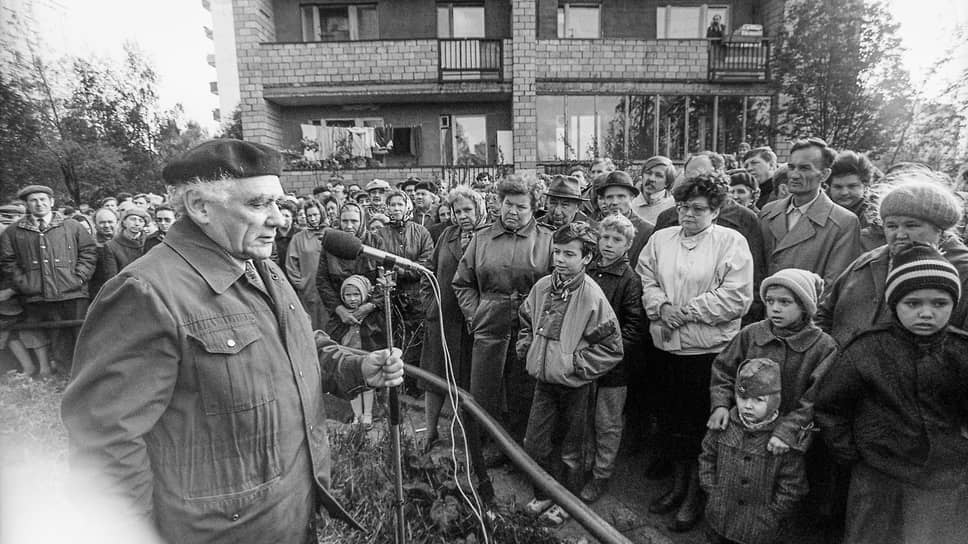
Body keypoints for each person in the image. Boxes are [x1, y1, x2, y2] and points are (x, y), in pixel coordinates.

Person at [61, 139, 404, 544]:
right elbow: (106, 445)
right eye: (259, 204)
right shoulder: (146, 292)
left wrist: (355, 366)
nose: (279, 219)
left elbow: (296, 345)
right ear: (200, 207)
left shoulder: (261, 267)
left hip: (290, 515)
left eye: (280, 204)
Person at [813, 244, 968, 544]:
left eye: (939, 303)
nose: (926, 313)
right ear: (895, 303)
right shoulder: (867, 349)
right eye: (913, 303)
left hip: (943, 476)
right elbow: (831, 406)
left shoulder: (961, 351)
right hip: (877, 474)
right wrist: (853, 454)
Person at [637, 173, 754, 532]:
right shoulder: (660, 239)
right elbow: (646, 279)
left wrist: (684, 312)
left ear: (716, 210)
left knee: (697, 428)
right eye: (683, 207)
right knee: (671, 423)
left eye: (698, 209)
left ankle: (696, 497)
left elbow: (736, 296)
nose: (687, 215)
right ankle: (677, 485)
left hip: (707, 354)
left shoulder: (730, 242)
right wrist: (661, 308)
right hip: (666, 348)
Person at [518, 222, 623, 525]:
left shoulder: (592, 296)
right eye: (557, 252)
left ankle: (568, 502)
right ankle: (543, 493)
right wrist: (528, 350)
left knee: (571, 449)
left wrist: (576, 366)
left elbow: (611, 347)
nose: (560, 260)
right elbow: (525, 321)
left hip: (575, 386)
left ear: (587, 258)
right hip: (543, 382)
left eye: (569, 254)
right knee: (535, 443)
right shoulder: (541, 288)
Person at [453, 175, 554, 459]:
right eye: (508, 204)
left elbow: (554, 288)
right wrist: (476, 315)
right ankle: (484, 449)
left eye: (521, 207)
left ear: (533, 208)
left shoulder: (547, 240)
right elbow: (462, 283)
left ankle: (520, 453)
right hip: (489, 324)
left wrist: (540, 324)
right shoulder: (481, 239)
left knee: (525, 390)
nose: (512, 211)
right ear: (499, 203)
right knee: (485, 390)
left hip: (530, 327)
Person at [816, 179, 968, 347]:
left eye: (911, 225)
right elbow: (824, 314)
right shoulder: (866, 262)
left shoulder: (962, 270)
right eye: (891, 226)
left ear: (939, 230)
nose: (900, 234)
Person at [708, 268, 837, 455]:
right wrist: (720, 404)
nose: (775, 308)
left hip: (789, 443)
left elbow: (815, 399)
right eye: (770, 301)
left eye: (785, 302)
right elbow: (723, 371)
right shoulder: (750, 335)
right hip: (744, 429)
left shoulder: (823, 347)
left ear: (804, 306)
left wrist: (788, 430)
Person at [700, 358, 809, 544]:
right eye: (743, 398)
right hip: (720, 517)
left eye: (759, 400)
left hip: (759, 529)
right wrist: (712, 490)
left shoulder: (782, 439)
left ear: (775, 400)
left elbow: (792, 484)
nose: (748, 406)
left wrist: (773, 513)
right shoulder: (723, 425)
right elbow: (707, 458)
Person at [580, 214, 645, 504]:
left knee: (607, 423)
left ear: (628, 245)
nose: (608, 244)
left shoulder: (630, 280)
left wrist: (608, 354)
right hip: (581, 360)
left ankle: (601, 474)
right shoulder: (588, 271)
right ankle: (583, 465)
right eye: (604, 237)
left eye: (617, 239)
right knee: (583, 417)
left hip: (613, 367)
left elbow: (633, 327)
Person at [0, 184, 97, 372]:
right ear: (27, 204)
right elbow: (8, 262)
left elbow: (89, 252)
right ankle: (65, 375)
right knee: (56, 336)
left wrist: (78, 278)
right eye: (33, 200)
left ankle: (89, 375)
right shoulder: (13, 232)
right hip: (38, 296)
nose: (39, 204)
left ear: (51, 202)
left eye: (43, 199)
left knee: (83, 334)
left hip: (73, 293)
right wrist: (25, 284)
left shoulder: (72, 226)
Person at [420, 187, 488, 454]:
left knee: (471, 382)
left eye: (467, 210)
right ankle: (430, 431)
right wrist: (429, 305)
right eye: (457, 211)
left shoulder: (489, 237)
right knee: (434, 377)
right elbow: (429, 269)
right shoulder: (447, 235)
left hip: (474, 322)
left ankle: (469, 439)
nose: (462, 216)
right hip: (442, 318)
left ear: (479, 209)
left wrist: (481, 314)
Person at [759, 138, 862, 288]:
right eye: (791, 167)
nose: (794, 175)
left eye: (804, 168)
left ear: (824, 175)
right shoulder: (768, 213)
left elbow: (835, 287)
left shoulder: (843, 222)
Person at [376, 189, 434, 389]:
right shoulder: (381, 234)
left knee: (417, 338)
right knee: (394, 337)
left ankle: (414, 384)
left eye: (400, 204)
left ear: (407, 207)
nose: (397, 208)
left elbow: (426, 261)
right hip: (390, 293)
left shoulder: (421, 232)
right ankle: (395, 384)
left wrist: (402, 270)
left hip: (416, 295)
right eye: (393, 205)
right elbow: (379, 260)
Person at [324, 275, 385, 428]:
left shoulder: (371, 315)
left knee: (367, 386)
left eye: (356, 294)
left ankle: (368, 415)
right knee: (353, 387)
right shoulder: (339, 317)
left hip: (365, 355)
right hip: (349, 357)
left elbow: (378, 335)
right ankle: (357, 416)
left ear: (364, 294)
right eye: (348, 295)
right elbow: (333, 335)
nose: (352, 299)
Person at [317, 202, 386, 325]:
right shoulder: (331, 244)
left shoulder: (375, 242)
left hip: (372, 317)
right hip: (341, 315)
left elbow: (385, 277)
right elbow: (322, 280)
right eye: (345, 221)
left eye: (354, 221)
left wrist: (371, 305)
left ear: (362, 221)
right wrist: (339, 309)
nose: (349, 226)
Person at [285, 199, 328, 329]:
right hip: (309, 289)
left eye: (315, 215)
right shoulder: (298, 238)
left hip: (329, 288)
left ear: (321, 214)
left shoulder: (330, 233)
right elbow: (291, 263)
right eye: (309, 215)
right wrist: (300, 283)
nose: (313, 219)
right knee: (311, 325)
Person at [596, 170, 654, 264]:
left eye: (621, 196)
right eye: (609, 197)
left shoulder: (647, 231)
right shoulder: (597, 228)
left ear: (632, 197)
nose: (614, 202)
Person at [827, 150, 881, 250]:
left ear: (865, 186)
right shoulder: (821, 207)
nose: (844, 193)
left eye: (852, 186)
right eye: (838, 187)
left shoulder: (874, 215)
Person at [98, 207, 150, 286]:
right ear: (124, 222)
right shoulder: (112, 245)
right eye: (133, 219)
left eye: (141, 221)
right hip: (124, 288)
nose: (136, 223)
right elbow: (111, 277)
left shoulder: (150, 242)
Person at [631, 156, 677, 224]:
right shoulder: (630, 204)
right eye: (648, 173)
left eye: (658, 175)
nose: (651, 179)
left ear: (667, 183)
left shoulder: (673, 207)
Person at [271, 200, 299, 269]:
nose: (283, 219)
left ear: (293, 218)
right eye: (281, 215)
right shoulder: (271, 235)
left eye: (287, 216)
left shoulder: (298, 234)